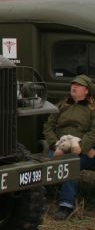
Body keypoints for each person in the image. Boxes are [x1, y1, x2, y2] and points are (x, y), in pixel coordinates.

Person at [43, 74, 95, 220]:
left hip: (82, 150)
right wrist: (56, 145)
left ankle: (66, 205)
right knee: (40, 166)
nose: (74, 86)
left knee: (71, 164)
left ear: (86, 91)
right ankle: (36, 200)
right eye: (73, 84)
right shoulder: (62, 105)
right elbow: (48, 126)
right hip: (60, 147)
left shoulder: (92, 109)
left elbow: (93, 131)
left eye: (78, 85)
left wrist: (82, 146)